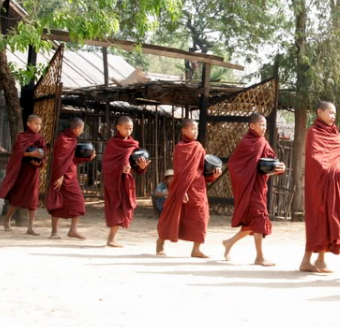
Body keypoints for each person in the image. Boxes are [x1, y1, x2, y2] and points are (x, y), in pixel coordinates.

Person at [300, 101, 340, 273]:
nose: (333, 116)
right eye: (330, 113)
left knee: (329, 220)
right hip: (318, 185)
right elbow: (317, 159)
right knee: (318, 220)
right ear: (319, 112)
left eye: (335, 113)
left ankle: (320, 260)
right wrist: (336, 174)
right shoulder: (314, 132)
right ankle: (306, 261)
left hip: (332, 184)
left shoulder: (334, 133)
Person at [223, 113, 285, 266]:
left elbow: (272, 161)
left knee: (254, 222)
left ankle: (229, 242)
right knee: (260, 218)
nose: (264, 128)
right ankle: (259, 257)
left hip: (258, 187)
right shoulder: (246, 142)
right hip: (248, 187)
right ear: (252, 126)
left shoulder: (262, 142)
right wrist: (247, 175)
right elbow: (234, 164)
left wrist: (280, 168)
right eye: (261, 125)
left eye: (265, 125)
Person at [156, 119, 222, 257]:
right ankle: (160, 243)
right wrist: (182, 190)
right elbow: (180, 171)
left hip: (198, 187)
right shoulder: (180, 147)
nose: (195, 131)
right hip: (182, 187)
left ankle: (196, 249)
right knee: (172, 216)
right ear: (184, 131)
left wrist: (213, 175)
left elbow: (203, 169)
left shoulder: (199, 147)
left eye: (196, 128)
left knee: (201, 216)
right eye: (192, 129)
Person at [102, 116, 149, 247]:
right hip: (114, 181)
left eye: (131, 128)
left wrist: (141, 167)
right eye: (126, 128)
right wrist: (120, 169)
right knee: (116, 207)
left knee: (124, 209)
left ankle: (112, 238)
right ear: (118, 128)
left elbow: (135, 164)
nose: (129, 131)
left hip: (126, 182)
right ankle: (111, 239)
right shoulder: (112, 144)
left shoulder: (133, 144)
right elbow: (107, 164)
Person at [46, 117, 97, 239]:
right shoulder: (62, 139)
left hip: (71, 176)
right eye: (82, 128)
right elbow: (59, 160)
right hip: (60, 176)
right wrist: (60, 176)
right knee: (57, 203)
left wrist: (88, 158)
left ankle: (72, 230)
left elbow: (71, 159)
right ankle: (54, 232)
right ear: (77, 128)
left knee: (78, 201)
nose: (82, 131)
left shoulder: (73, 139)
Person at [0, 114, 47, 235]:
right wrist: (29, 154)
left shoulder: (40, 138)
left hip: (33, 171)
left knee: (33, 198)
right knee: (17, 197)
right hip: (21, 170)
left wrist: (39, 162)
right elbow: (17, 153)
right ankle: (7, 219)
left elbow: (44, 153)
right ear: (28, 124)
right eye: (36, 123)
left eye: (40, 124)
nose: (38, 126)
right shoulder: (22, 137)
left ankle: (30, 227)